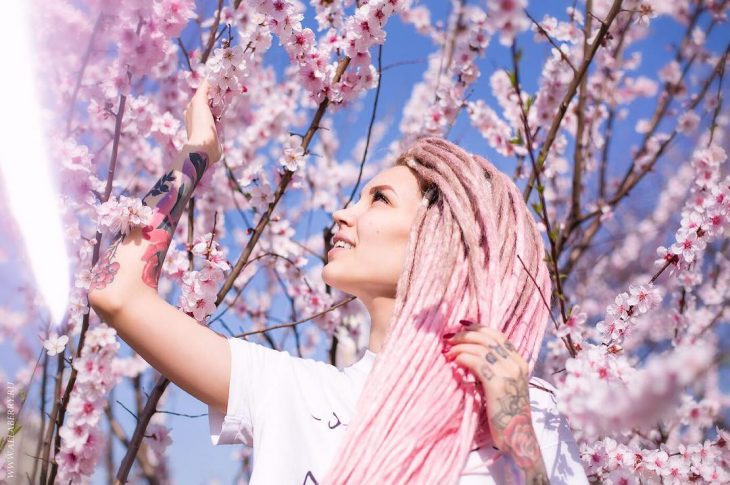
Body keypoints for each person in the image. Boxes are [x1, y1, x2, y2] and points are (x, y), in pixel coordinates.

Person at [88, 80, 589, 484]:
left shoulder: (522, 405)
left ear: (439, 237)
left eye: (380, 200)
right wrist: (196, 153)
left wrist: (514, 424)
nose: (340, 213)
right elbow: (117, 292)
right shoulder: (291, 391)